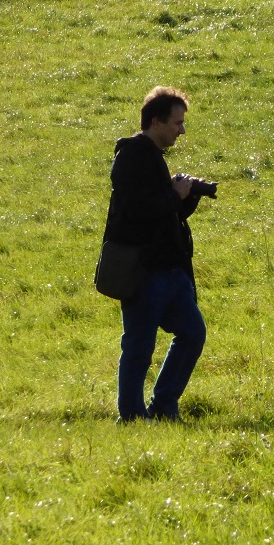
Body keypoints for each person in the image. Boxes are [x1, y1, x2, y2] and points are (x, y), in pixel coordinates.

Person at [104, 86, 211, 422]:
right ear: (156, 122)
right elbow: (137, 212)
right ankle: (133, 416)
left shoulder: (152, 158)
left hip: (170, 271)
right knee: (138, 346)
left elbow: (164, 216)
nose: (182, 129)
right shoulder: (132, 157)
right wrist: (175, 194)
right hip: (144, 272)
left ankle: (164, 406)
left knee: (193, 334)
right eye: (177, 122)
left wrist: (187, 196)